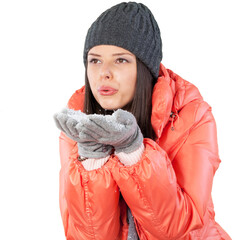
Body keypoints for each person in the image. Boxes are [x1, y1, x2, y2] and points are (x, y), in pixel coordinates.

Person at [54, 2, 231, 239]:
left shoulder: (192, 115)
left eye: (120, 60)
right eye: (95, 60)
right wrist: (92, 157)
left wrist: (133, 151)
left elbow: (179, 227)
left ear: (144, 67)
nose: (103, 72)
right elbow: (86, 236)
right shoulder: (78, 122)